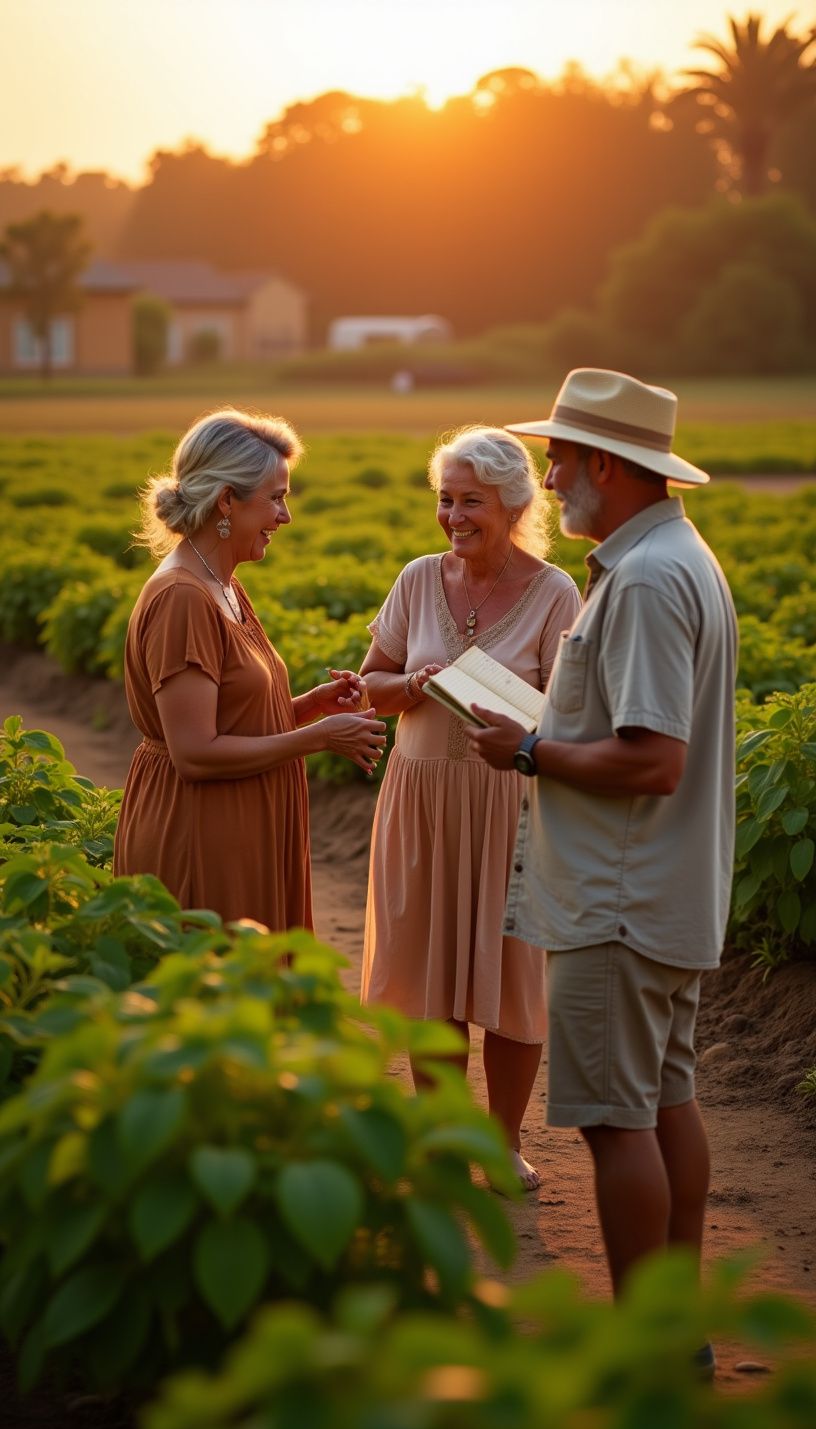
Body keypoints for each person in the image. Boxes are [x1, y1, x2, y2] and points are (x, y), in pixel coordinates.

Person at [470, 369, 737, 1318]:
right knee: (665, 1103)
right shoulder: (674, 558)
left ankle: (645, 1348)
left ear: (605, 465)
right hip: (658, 888)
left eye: (558, 462)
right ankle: (678, 1335)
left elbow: (653, 760)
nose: (548, 484)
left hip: (617, 899)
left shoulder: (651, 580)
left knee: (616, 1125)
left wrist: (530, 748)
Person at [359, 426, 581, 1189]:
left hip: (510, 806)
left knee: (512, 979)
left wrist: (515, 711)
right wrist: (417, 682)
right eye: (445, 499)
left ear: (515, 504)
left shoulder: (556, 592)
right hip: (420, 800)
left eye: (471, 501)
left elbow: (571, 715)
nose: (453, 515)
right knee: (429, 980)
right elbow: (372, 687)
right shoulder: (417, 579)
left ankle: (504, 1142)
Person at [114, 408, 386, 931]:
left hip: (234, 821)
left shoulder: (224, 585)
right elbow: (195, 753)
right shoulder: (183, 599)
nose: (285, 517)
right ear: (225, 501)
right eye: (276, 499)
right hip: (200, 830)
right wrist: (317, 739)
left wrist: (307, 708)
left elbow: (225, 719)